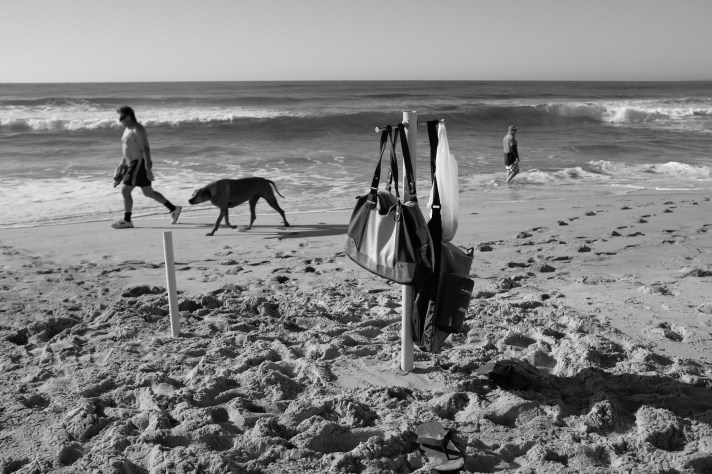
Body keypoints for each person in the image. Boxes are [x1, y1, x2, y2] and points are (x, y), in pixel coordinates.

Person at [111, 106, 181, 229]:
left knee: (125, 190)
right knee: (148, 192)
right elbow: (127, 149)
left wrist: (148, 169)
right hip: (131, 164)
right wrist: (122, 165)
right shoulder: (127, 129)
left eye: (121, 118)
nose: (119, 121)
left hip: (138, 163)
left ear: (128, 117)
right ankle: (174, 209)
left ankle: (127, 220)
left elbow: (146, 149)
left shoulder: (138, 129)